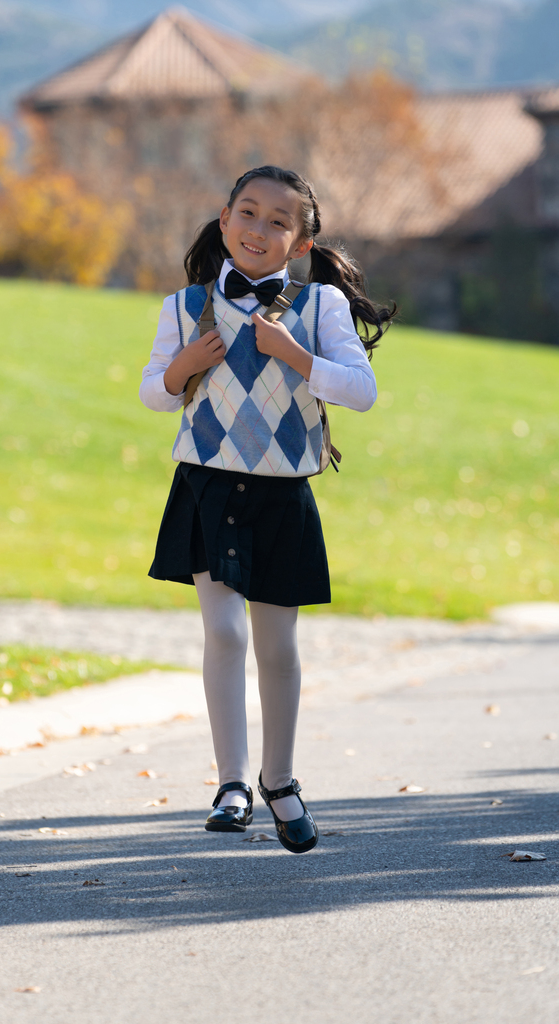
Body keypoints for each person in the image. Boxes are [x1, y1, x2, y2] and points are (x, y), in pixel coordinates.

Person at [139, 166, 395, 854]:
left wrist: (298, 357)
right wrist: (182, 364)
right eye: (246, 213)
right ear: (223, 222)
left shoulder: (320, 312)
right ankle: (231, 784)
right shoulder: (184, 306)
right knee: (223, 634)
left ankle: (278, 781)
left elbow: (361, 391)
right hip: (207, 487)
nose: (258, 229)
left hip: (282, 494)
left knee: (276, 647)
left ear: (300, 244)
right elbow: (156, 396)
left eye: (277, 221)